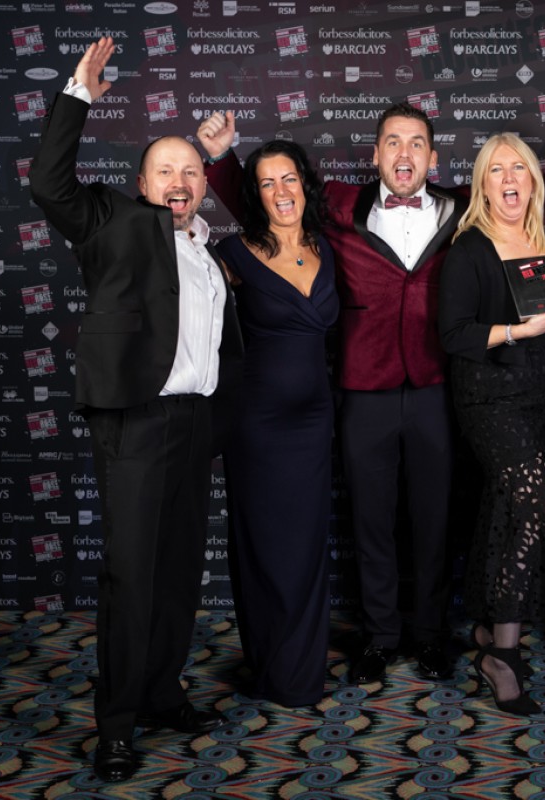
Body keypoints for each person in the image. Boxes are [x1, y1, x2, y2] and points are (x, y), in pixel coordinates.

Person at [199, 105, 545, 686]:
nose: (404, 153)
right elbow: (273, 208)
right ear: (376, 155)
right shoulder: (339, 205)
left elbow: (520, 198)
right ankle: (381, 636)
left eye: (416, 143)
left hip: (439, 386)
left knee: (434, 520)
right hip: (364, 387)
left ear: (433, 158)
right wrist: (220, 160)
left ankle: (431, 634)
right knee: (370, 521)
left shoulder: (464, 208)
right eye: (393, 142)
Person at [29, 38, 243, 782]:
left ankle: (160, 692)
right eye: (165, 171)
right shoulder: (112, 223)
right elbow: (49, 183)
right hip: (136, 422)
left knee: (179, 570)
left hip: (195, 423)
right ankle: (116, 724)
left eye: (191, 171)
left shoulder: (209, 250)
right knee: (131, 576)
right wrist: (77, 95)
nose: (179, 181)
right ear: (142, 183)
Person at [438, 134, 545, 716]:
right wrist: (520, 332)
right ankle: (503, 654)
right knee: (532, 505)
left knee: (508, 508)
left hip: (542, 395)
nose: (509, 178)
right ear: (483, 184)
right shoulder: (470, 247)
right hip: (491, 399)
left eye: (518, 167)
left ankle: (488, 622)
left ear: (533, 179)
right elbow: (454, 334)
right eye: (496, 170)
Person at [212, 139, 338, 707]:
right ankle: (271, 666)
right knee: (267, 546)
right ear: (255, 195)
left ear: (304, 185)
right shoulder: (232, 254)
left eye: (288, 179)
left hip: (314, 422)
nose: (280, 192)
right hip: (257, 427)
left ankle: (302, 670)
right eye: (266, 183)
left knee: (306, 547)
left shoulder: (327, 246)